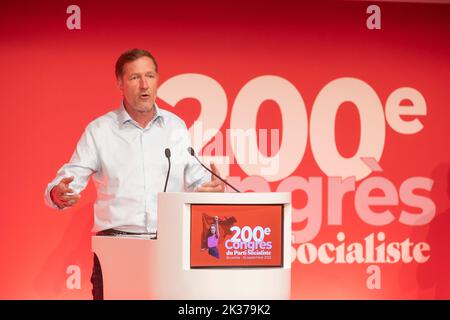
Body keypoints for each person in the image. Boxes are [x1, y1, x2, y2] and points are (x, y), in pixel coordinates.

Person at [44, 48, 225, 299]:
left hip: (168, 247)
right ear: (119, 82)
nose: (144, 85)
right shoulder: (100, 131)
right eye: (134, 77)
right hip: (115, 248)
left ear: (157, 79)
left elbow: (199, 180)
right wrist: (58, 193)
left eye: (150, 76)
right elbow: (67, 180)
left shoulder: (175, 127)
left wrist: (211, 187)